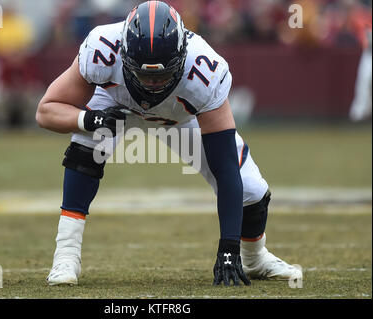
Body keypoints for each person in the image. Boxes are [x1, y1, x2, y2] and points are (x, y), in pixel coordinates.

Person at [36, 1, 301, 287]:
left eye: (161, 74)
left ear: (182, 55)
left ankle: (255, 258)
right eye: (144, 73)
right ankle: (66, 256)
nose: (152, 83)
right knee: (85, 145)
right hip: (115, 105)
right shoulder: (102, 47)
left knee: (252, 191)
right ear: (123, 54)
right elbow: (46, 110)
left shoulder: (205, 70)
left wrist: (228, 247)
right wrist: (93, 120)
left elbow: (225, 169)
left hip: (180, 117)